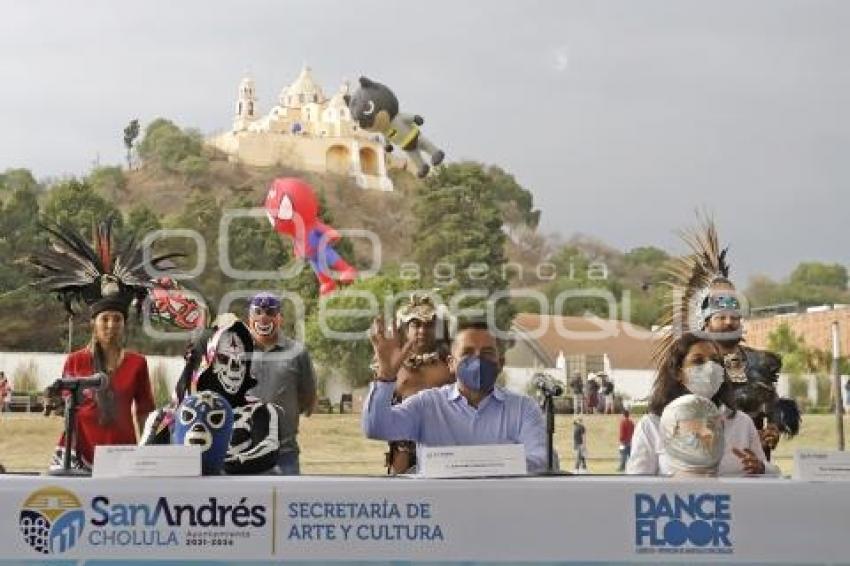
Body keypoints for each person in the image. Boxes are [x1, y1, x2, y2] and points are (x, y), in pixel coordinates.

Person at [663, 217, 799, 459]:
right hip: (702, 459)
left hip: (754, 464)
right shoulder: (692, 364)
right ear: (705, 323)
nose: (729, 322)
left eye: (734, 317)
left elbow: (773, 404)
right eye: (721, 317)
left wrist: (774, 429)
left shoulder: (761, 362)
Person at [363, 317, 551, 474]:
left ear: (500, 363)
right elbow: (376, 427)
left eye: (487, 353)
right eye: (467, 353)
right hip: (440, 510)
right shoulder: (427, 404)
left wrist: (467, 465)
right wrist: (385, 377)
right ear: (451, 364)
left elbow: (541, 461)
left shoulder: (523, 409)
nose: (477, 360)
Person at [626, 333, 779, 476]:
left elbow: (771, 476)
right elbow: (635, 487)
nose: (710, 368)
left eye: (715, 361)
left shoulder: (742, 423)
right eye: (698, 361)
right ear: (679, 373)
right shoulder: (652, 425)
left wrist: (761, 468)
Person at [48, 300, 155, 471]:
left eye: (117, 319)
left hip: (122, 448)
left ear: (124, 324)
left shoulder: (137, 363)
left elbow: (145, 411)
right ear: (93, 324)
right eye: (104, 319)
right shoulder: (75, 360)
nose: (111, 325)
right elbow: (66, 407)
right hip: (80, 448)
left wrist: (146, 451)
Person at [381, 294, 453, 474]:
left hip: (444, 453)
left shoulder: (451, 365)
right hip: (402, 456)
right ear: (405, 329)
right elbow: (378, 415)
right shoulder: (391, 366)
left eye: (429, 325)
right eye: (416, 324)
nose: (422, 331)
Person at [246, 292, 316, 475]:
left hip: (284, 452)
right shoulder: (236, 351)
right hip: (243, 451)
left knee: (286, 503)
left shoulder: (298, 352)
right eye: (258, 312)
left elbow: (308, 397)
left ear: (279, 318)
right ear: (249, 317)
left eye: (270, 312)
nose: (263, 317)